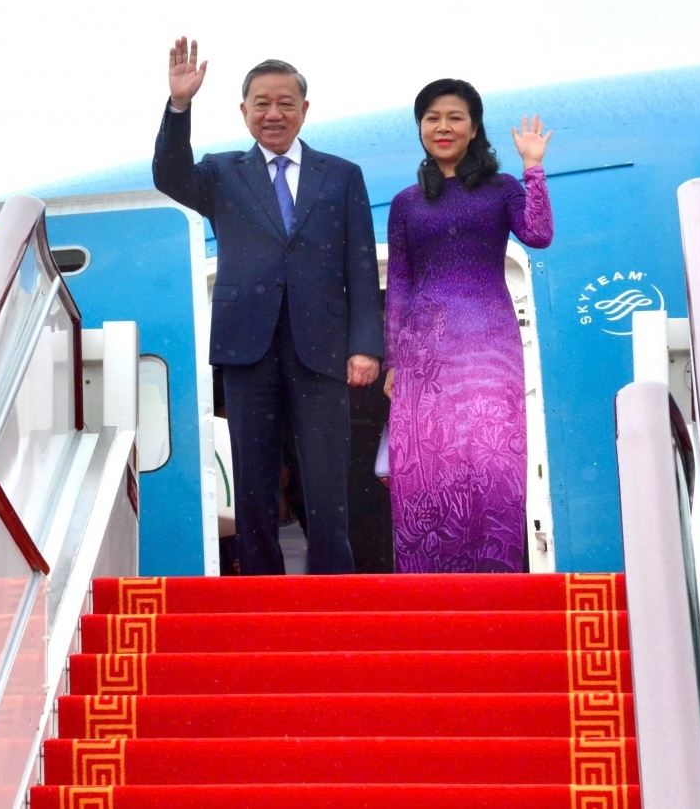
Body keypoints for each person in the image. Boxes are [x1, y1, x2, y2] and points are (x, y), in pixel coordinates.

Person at [153, 37, 383, 575]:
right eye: (262, 103)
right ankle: (260, 591)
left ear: (305, 109)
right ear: (244, 111)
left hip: (322, 346)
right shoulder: (221, 173)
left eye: (285, 103)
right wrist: (179, 105)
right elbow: (168, 175)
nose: (273, 113)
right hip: (247, 343)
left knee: (327, 477)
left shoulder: (341, 174)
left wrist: (365, 346)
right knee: (254, 477)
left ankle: (335, 591)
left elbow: (360, 264)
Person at [383, 78, 553, 573]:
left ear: (474, 127)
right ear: (420, 127)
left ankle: (496, 594)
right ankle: (427, 607)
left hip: (489, 349)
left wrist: (534, 168)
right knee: (425, 473)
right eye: (432, 117)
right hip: (424, 352)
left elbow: (539, 235)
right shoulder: (406, 202)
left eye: (455, 117)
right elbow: (398, 282)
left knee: (492, 466)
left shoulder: (501, 190)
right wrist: (393, 359)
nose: (443, 127)